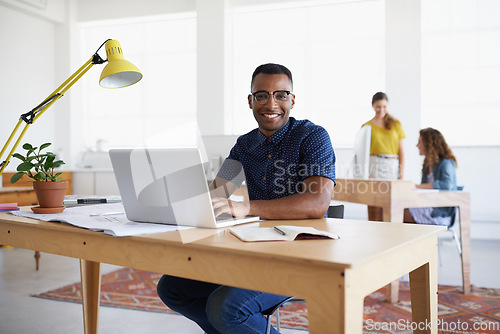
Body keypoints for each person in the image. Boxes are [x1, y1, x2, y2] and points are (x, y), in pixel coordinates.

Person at [156, 63, 336, 334]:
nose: (271, 103)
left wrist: (246, 208)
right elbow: (218, 194)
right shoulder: (244, 145)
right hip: (256, 251)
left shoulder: (312, 137)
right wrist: (175, 194)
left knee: (225, 308)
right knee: (173, 288)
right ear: (250, 101)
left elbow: (316, 203)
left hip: (301, 257)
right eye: (262, 95)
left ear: (292, 99)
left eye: (281, 95)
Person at [362, 92, 405, 221]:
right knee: (374, 203)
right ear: (373, 106)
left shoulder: (396, 124)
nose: (381, 110)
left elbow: (401, 151)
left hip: (391, 166)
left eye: (384, 107)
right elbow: (362, 153)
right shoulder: (366, 127)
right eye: (378, 107)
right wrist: (366, 173)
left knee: (391, 204)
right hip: (374, 166)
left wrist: (401, 173)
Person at [404, 128, 457, 226]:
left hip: (439, 214)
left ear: (429, 144)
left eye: (420, 142)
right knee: (394, 209)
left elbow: (446, 185)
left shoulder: (446, 163)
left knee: (399, 214)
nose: (417, 146)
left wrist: (416, 186)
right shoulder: (427, 164)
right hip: (426, 207)